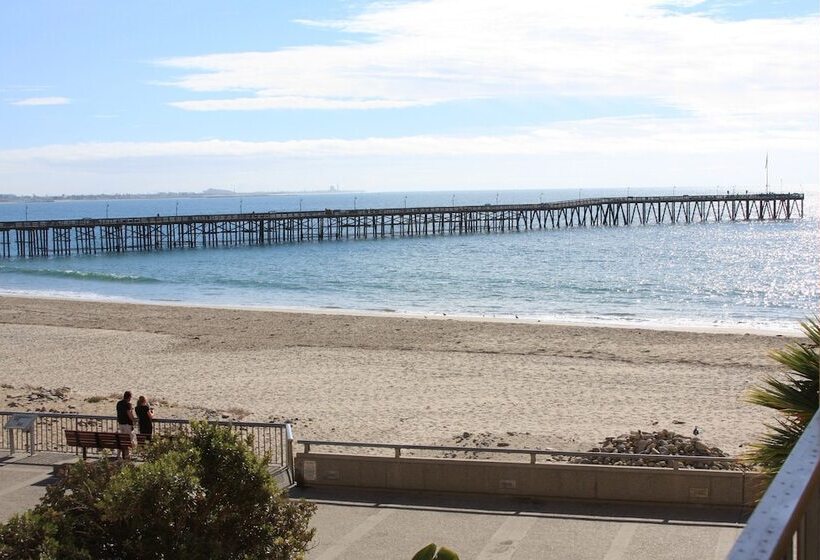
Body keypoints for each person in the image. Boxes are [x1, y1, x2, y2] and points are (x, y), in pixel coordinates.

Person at [115, 391, 136, 459]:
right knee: (128, 440)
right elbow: (129, 414)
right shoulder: (128, 404)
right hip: (127, 424)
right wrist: (134, 420)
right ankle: (127, 455)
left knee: (122, 439)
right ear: (129, 397)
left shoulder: (119, 403)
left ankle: (119, 455)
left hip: (121, 424)